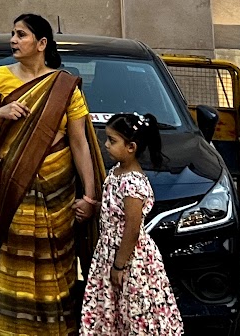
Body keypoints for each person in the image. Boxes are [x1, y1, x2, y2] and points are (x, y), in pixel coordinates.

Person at [0, 12, 102, 336]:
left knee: (57, 264)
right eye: (12, 34)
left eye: (21, 34)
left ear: (41, 43)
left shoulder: (64, 85)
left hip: (58, 193)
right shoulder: (0, 77)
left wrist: (89, 195)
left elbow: (79, 143)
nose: (13, 40)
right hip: (16, 188)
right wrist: (1, 114)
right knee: (16, 261)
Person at [80, 113, 182, 336]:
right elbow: (116, 212)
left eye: (112, 140)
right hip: (109, 253)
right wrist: (95, 208)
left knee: (133, 309)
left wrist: (119, 265)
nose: (106, 145)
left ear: (131, 147)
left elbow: (132, 228)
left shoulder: (133, 183)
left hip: (129, 259)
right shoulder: (116, 172)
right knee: (116, 308)